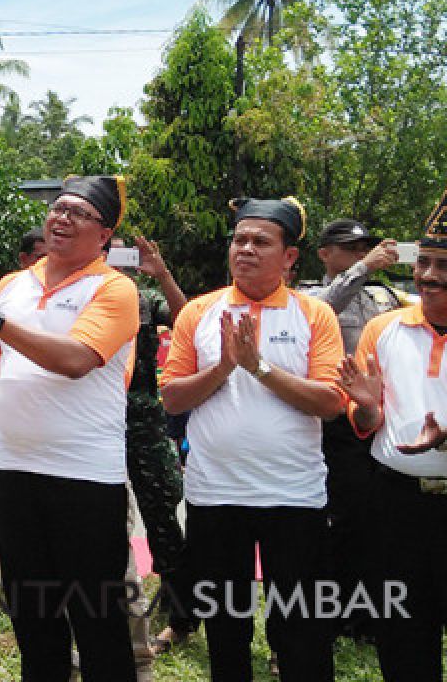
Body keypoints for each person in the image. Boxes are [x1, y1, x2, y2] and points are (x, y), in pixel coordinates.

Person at [0, 175, 140, 681]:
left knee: (97, 618)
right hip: (14, 471)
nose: (62, 218)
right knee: (33, 617)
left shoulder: (114, 288)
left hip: (86, 478)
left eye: (79, 213)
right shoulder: (11, 285)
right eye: (57, 208)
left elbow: (75, 359)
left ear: (105, 235)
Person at [160, 197, 346, 682]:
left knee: (302, 626)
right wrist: (223, 366)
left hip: (294, 497)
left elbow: (331, 403)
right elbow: (173, 398)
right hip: (215, 495)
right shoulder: (199, 312)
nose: (245, 249)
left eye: (261, 241)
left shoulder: (315, 315)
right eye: (239, 240)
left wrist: (258, 367)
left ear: (289, 258)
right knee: (225, 628)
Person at [337, 185, 447, 681]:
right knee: (402, 638)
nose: (428, 275)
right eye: (423, 262)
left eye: (443, 265)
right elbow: (367, 425)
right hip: (395, 507)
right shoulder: (384, 328)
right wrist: (363, 407)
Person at [302, 219, 400, 643]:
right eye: (352, 248)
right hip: (335, 423)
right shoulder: (308, 294)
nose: (362, 253)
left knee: (374, 522)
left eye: (366, 248)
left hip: (379, 418)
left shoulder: (382, 295)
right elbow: (320, 313)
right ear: (325, 253)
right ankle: (335, 613)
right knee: (336, 522)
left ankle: (368, 616)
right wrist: (362, 270)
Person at [112, 236, 197, 656]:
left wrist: (161, 274)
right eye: (111, 250)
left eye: (124, 251)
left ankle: (181, 611)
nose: (118, 258)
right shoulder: (83, 293)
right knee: (99, 517)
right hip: (95, 423)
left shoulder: (145, 297)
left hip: (144, 418)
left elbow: (186, 318)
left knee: (162, 511)